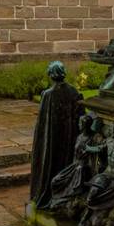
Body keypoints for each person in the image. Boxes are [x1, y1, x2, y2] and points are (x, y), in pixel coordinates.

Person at [29, 61, 84, 209]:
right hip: (69, 137)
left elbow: (42, 125)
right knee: (65, 160)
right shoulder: (74, 91)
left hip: (53, 139)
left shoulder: (48, 95)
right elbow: (80, 114)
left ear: (51, 75)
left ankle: (49, 194)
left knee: (52, 163)